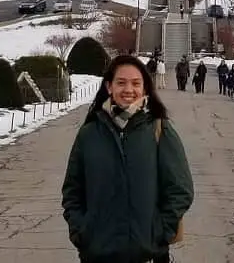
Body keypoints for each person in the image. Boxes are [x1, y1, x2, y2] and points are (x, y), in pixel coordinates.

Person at [62, 55, 194, 263]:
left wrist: (159, 233)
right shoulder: (89, 134)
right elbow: (73, 190)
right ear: (109, 86)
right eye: (121, 83)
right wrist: (82, 231)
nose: (128, 90)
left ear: (145, 88)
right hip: (97, 254)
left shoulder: (159, 130)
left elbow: (181, 190)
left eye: (135, 83)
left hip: (147, 254)